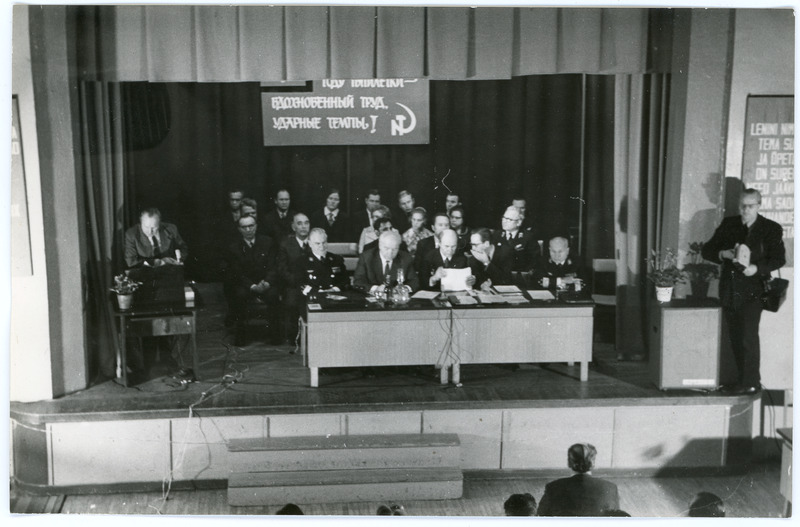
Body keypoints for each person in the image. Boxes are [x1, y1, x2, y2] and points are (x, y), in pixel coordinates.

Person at [701, 188, 785, 395]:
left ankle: (751, 382)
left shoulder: (770, 228)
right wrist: (723, 253)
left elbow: (779, 259)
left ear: (759, 205)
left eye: (750, 206)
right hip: (730, 290)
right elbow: (707, 250)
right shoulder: (729, 224)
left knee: (748, 336)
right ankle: (740, 380)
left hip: (754, 290)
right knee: (735, 336)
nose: (745, 210)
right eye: (742, 206)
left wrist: (757, 268)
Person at [224, 214, 282, 345]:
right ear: (239, 229)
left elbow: (274, 267)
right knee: (239, 296)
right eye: (244, 227)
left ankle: (275, 336)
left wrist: (266, 282)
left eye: (251, 226)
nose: (248, 229)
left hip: (265, 283)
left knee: (273, 295)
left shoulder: (268, 242)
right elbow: (237, 273)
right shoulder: (233, 247)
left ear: (256, 226)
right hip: (246, 285)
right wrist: (252, 286)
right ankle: (241, 336)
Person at [537, 443, 620, 517]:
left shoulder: (553, 488)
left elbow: (540, 517)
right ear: (593, 463)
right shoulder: (611, 488)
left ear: (569, 462)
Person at [279, 213, 312, 345]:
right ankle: (294, 337)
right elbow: (282, 270)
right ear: (293, 227)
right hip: (293, 285)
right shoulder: (286, 245)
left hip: (312, 285)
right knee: (292, 302)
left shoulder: (315, 241)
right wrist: (298, 283)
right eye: (299, 223)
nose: (304, 226)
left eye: (306, 223)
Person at [353, 230, 419, 294]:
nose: (390, 253)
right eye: (386, 248)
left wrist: (404, 288)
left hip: (396, 298)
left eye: (394, 249)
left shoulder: (405, 258)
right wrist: (376, 288)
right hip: (372, 298)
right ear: (380, 246)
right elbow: (358, 281)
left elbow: (414, 281)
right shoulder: (366, 257)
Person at [296, 228, 350, 295]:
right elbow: (300, 283)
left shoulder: (336, 259)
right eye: (317, 243)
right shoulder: (302, 261)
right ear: (310, 244)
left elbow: (345, 281)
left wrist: (334, 289)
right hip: (313, 297)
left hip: (335, 296)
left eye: (324, 242)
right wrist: (321, 293)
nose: (322, 246)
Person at [491, 205, 539, 275]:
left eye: (509, 219)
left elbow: (535, 261)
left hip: (519, 276)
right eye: (504, 218)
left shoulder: (527, 237)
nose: (504, 221)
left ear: (519, 222)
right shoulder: (496, 235)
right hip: (499, 276)